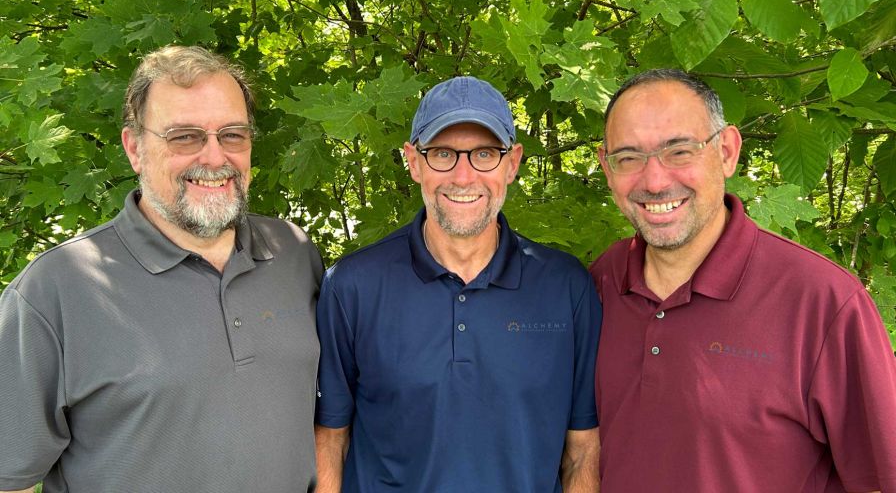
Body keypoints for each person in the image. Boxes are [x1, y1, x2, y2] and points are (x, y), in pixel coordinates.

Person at [0, 45, 322, 493]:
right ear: (134, 147)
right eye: (184, 137)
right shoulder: (56, 291)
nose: (214, 158)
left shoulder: (293, 254)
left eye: (233, 135)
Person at [590, 68, 896, 492]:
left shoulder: (823, 302)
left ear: (727, 151)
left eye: (679, 151)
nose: (655, 180)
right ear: (606, 167)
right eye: (629, 158)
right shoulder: (599, 284)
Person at [314, 76, 602, 492]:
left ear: (513, 162)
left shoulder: (565, 287)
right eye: (443, 154)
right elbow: (331, 441)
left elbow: (582, 451)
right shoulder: (353, 286)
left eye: (485, 153)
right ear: (413, 162)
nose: (464, 176)